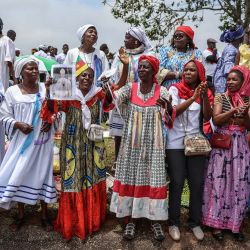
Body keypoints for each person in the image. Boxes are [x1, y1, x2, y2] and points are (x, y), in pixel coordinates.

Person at [41, 59, 110, 240]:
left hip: (94, 144)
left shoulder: (98, 95)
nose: (87, 78)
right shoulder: (68, 95)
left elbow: (111, 101)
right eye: (83, 76)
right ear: (76, 79)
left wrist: (123, 69)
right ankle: (75, 222)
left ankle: (91, 221)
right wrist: (49, 90)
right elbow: (51, 109)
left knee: (92, 177)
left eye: (90, 76)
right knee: (73, 180)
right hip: (72, 144)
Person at [107, 55, 174, 241]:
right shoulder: (130, 88)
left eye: (146, 67)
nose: (142, 69)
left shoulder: (163, 91)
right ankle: (131, 220)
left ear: (154, 71)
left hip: (154, 146)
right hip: (132, 146)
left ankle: (155, 220)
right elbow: (113, 101)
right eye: (140, 67)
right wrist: (108, 88)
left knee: (154, 178)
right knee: (132, 177)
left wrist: (167, 107)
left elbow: (169, 119)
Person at [0, 57, 57, 231]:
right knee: (20, 172)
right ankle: (21, 214)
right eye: (29, 69)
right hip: (22, 142)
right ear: (20, 72)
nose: (34, 71)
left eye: (35, 69)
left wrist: (51, 120)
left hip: (42, 142)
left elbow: (55, 110)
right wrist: (18, 124)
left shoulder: (45, 89)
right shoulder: (12, 92)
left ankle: (44, 214)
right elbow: (3, 115)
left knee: (43, 173)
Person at [166, 60, 213, 241]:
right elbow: (174, 111)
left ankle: (195, 222)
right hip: (175, 142)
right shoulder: (174, 89)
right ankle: (173, 223)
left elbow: (208, 117)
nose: (187, 72)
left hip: (195, 142)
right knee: (177, 182)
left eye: (192, 70)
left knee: (197, 182)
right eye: (186, 69)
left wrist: (202, 97)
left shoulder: (205, 92)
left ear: (200, 73)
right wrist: (192, 98)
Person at [202, 65, 250, 242]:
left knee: (238, 184)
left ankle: (235, 224)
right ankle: (215, 224)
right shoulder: (221, 97)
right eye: (228, 79)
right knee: (219, 182)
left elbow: (248, 126)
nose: (230, 82)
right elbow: (216, 119)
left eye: (234, 79)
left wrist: (244, 115)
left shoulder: (247, 98)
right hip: (223, 145)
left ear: (243, 81)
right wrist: (232, 111)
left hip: (240, 146)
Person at [109, 27, 155, 166]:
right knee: (120, 133)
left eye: (128, 37)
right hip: (122, 98)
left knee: (138, 132)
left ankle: (138, 163)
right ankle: (118, 162)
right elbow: (114, 74)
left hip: (141, 98)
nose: (124, 40)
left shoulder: (149, 55)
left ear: (136, 41)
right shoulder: (120, 55)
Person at [213, 25, 245, 93]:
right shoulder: (231, 50)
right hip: (224, 84)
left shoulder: (231, 48)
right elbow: (228, 71)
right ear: (240, 37)